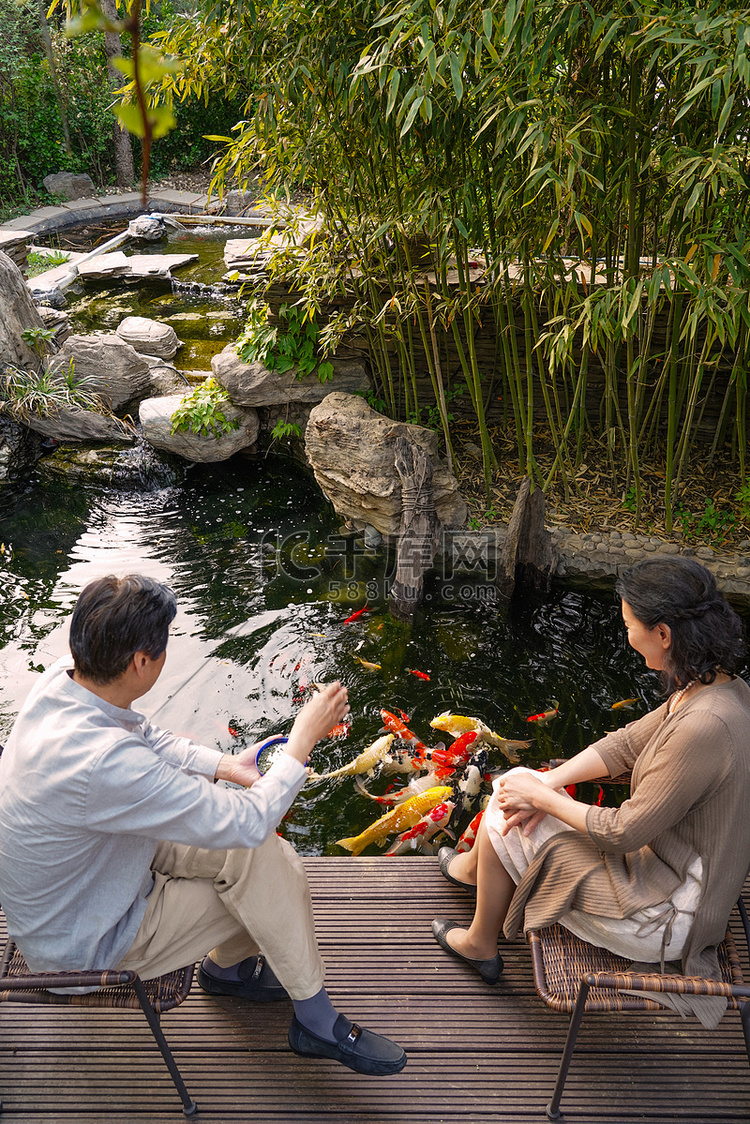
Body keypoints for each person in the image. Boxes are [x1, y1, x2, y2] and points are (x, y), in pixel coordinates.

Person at [0, 573, 406, 1076]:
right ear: (141, 662)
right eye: (164, 646)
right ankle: (314, 1021)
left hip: (94, 871)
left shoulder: (65, 678)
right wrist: (301, 744)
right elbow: (251, 819)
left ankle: (232, 972)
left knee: (268, 860)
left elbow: (142, 732)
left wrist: (226, 766)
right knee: (266, 888)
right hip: (87, 942)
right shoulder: (103, 763)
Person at [432, 556, 750, 1027]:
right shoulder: (720, 688)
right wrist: (547, 782)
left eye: (628, 625)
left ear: (663, 634)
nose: (626, 636)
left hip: (664, 914)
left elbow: (622, 831)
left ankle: (480, 941)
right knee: (519, 790)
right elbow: (625, 744)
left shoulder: (704, 726)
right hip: (666, 866)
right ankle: (470, 870)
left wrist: (539, 797)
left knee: (505, 807)